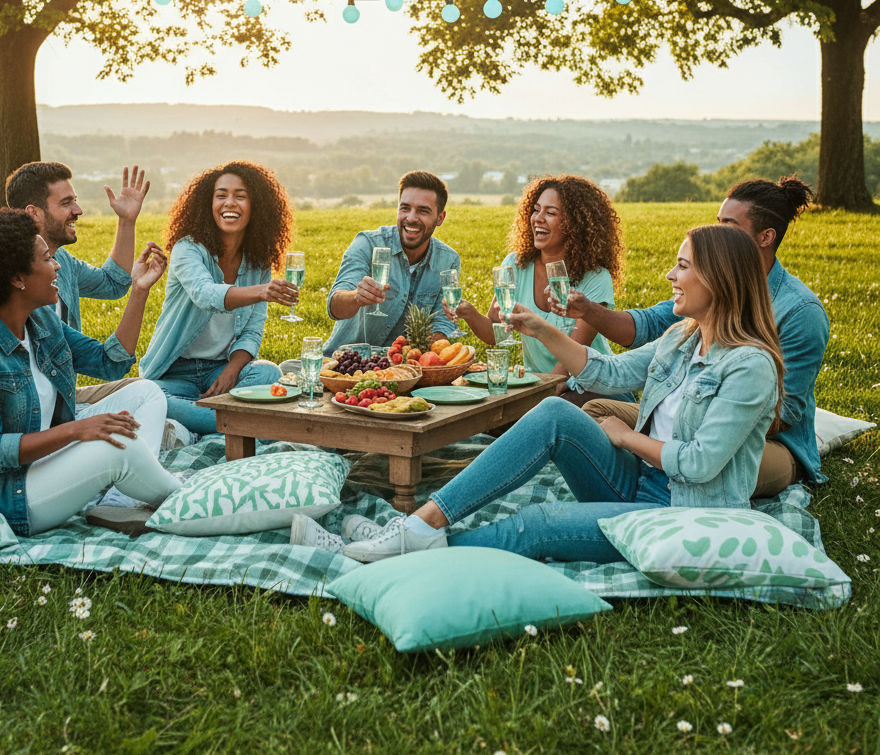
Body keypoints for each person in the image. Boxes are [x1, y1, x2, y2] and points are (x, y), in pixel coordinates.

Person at [295, 225, 783, 562]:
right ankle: (417, 527)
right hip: (636, 482)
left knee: (540, 522)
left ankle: (389, 553)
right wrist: (541, 328)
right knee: (553, 412)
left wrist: (624, 436)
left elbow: (699, 464)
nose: (671, 277)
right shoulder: (682, 338)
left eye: (682, 266)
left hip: (679, 512)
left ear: (719, 278)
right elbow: (609, 372)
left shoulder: (750, 366)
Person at [558, 176, 827, 498]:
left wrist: (696, 418)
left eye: (728, 225)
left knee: (714, 472)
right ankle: (635, 485)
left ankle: (658, 489)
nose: (716, 232)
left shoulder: (800, 310)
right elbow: (647, 325)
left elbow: (787, 412)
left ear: (766, 237)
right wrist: (587, 309)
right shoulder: (703, 289)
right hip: (690, 421)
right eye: (717, 221)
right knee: (596, 413)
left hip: (766, 442)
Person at [0, 209, 180, 537]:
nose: (57, 266)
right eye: (47, 258)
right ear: (17, 279)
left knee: (146, 393)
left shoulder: (41, 321)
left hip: (48, 459)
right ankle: (184, 497)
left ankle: (122, 499)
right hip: (6, 494)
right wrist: (77, 430)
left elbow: (110, 363)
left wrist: (139, 289)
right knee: (117, 445)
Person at [139, 161, 294, 435]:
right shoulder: (187, 249)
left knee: (269, 373)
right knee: (150, 397)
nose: (229, 203)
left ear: (256, 205)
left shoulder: (258, 262)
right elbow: (205, 294)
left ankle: (210, 420)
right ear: (207, 204)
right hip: (175, 375)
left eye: (240, 196)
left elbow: (252, 330)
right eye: (221, 195)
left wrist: (232, 371)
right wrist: (262, 291)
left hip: (220, 370)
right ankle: (236, 422)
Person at [445, 174, 625, 403]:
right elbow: (495, 333)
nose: (538, 218)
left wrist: (538, 398)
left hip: (594, 388)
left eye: (550, 213)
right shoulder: (515, 265)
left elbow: (572, 359)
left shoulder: (596, 278)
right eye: (536, 210)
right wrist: (469, 312)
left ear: (575, 224)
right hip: (541, 386)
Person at [0, 161, 154, 408]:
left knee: (147, 391)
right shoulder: (9, 287)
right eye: (66, 203)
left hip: (63, 398)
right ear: (33, 213)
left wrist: (127, 220)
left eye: (75, 201)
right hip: (29, 409)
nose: (78, 210)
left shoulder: (63, 262)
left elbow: (113, 283)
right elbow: (107, 363)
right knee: (151, 402)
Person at [324, 170, 458, 354]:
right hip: (345, 362)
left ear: (440, 218)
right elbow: (335, 306)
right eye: (405, 208)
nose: (411, 218)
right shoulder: (367, 243)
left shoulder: (448, 260)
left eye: (423, 211)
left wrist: (429, 357)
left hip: (404, 366)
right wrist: (356, 297)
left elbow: (441, 324)